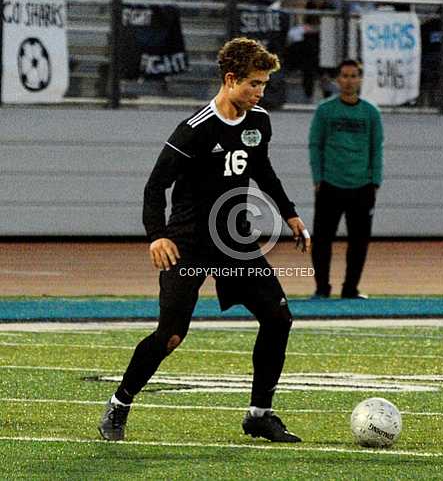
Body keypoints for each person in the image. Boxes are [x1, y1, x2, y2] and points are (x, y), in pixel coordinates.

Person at [98, 37, 311, 443]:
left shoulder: (258, 121)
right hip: (188, 243)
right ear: (230, 80)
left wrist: (289, 212)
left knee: (279, 317)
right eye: (253, 84)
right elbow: (154, 187)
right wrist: (157, 237)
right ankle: (120, 403)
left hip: (235, 239)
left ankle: (259, 414)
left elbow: (261, 169)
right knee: (171, 336)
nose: (260, 92)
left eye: (264, 84)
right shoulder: (194, 130)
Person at [308, 59, 383, 299]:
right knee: (321, 240)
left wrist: (375, 180)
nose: (349, 81)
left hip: (362, 186)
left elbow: (376, 148)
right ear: (337, 79)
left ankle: (350, 289)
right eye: (344, 76)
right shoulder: (325, 110)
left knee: (359, 242)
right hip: (330, 184)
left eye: (353, 76)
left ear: (360, 80)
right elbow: (315, 145)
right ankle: (322, 288)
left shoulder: (371, 112)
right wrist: (318, 178)